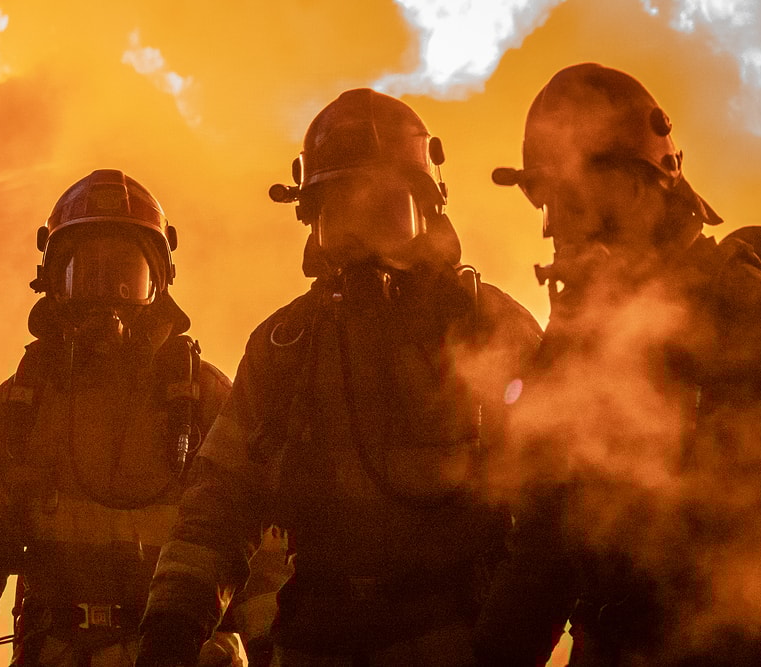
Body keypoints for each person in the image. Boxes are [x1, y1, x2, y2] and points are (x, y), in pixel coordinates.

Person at [134, 88, 543, 667]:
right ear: (312, 223)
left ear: (428, 214)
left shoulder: (491, 330)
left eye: (384, 215)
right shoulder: (285, 348)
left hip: (455, 642)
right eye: (340, 218)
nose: (362, 243)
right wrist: (172, 627)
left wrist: (508, 642)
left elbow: (557, 513)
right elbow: (218, 503)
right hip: (316, 642)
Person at [473, 63, 761, 666]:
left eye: (571, 200)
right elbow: (546, 550)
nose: (555, 231)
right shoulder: (575, 344)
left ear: (643, 186)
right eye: (546, 206)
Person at [0, 169, 251, 667]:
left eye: (126, 277)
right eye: (87, 275)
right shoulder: (21, 406)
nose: (107, 299)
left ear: (159, 283)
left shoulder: (204, 402)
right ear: (53, 284)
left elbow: (255, 561)